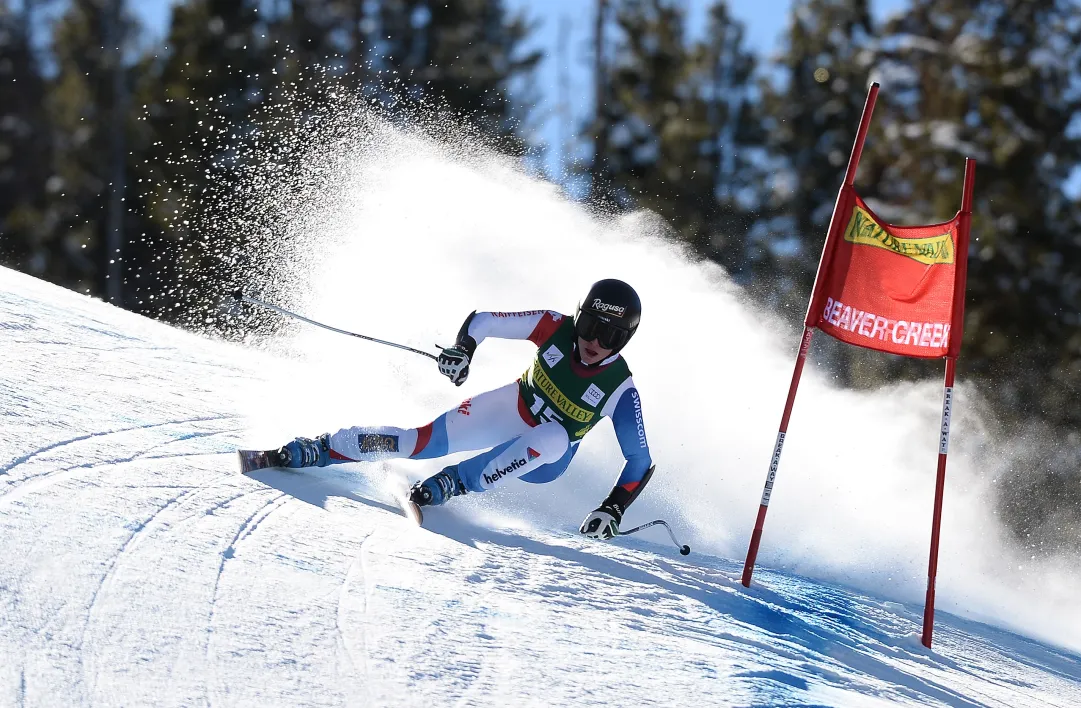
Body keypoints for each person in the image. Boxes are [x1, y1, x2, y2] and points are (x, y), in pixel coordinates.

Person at [275, 279, 655, 540]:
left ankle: (455, 481)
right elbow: (484, 321)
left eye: (610, 335)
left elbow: (639, 460)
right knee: (418, 441)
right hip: (512, 407)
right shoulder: (554, 326)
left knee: (554, 434)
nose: (594, 341)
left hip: (546, 458)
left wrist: (612, 508)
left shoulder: (620, 388)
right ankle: (325, 448)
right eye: (589, 325)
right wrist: (464, 350)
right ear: (578, 317)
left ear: (625, 340)